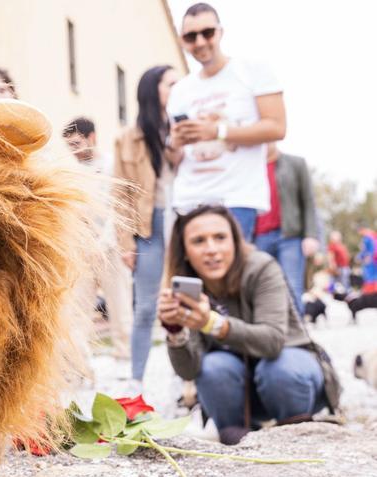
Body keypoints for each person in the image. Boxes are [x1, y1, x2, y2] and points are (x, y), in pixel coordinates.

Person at [158, 205, 334, 445]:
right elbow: (189, 371)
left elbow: (272, 342)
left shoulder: (261, 268)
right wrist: (175, 331)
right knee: (212, 368)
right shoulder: (191, 289)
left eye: (220, 238)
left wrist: (210, 322)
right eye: (199, 241)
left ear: (235, 241)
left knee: (279, 368)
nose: (211, 249)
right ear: (185, 251)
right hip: (237, 390)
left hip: (289, 379)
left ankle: (296, 436)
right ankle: (236, 439)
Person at [167, 2, 286, 242]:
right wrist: (175, 143)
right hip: (189, 200)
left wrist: (217, 131)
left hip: (236, 199)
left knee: (233, 279)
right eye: (191, 36)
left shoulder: (253, 70)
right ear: (182, 40)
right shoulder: (180, 90)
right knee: (188, 280)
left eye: (207, 32)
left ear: (220, 32)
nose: (200, 42)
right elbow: (174, 158)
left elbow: (277, 127)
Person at [114, 65, 182, 387]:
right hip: (148, 226)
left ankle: (190, 380)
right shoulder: (129, 138)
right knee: (145, 308)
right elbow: (121, 193)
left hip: (186, 221)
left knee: (187, 299)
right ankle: (136, 380)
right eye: (171, 84)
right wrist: (126, 244)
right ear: (153, 90)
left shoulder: (185, 126)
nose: (178, 89)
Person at [63, 117, 131, 376]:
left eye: (78, 143)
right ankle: (80, 367)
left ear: (92, 138)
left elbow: (121, 206)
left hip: (112, 245)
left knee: (120, 304)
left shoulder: (113, 165)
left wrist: (119, 243)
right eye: (70, 145)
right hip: (82, 250)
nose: (75, 150)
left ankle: (125, 358)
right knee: (77, 310)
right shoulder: (70, 172)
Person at [253, 144, 319, 313]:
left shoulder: (295, 163)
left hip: (289, 236)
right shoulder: (250, 167)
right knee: (263, 288)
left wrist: (311, 235)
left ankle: (298, 338)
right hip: (259, 237)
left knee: (292, 286)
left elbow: (308, 201)